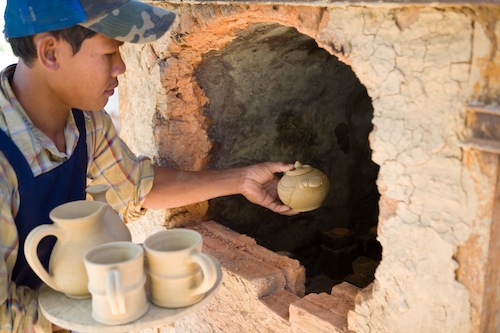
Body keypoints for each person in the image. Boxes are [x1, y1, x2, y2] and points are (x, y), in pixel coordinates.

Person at [0, 0, 296, 331]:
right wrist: (109, 306)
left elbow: (138, 186)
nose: (121, 67)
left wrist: (242, 180)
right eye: (109, 53)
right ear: (50, 53)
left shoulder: (85, 123)